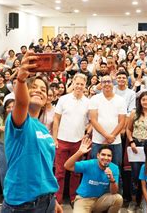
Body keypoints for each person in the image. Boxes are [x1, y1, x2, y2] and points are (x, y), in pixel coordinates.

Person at [1, 51, 62, 212]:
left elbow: (45, 167)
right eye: (33, 87)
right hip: (23, 206)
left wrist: (52, 198)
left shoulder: (43, 128)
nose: (39, 90)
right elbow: (21, 104)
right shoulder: (19, 121)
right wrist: (21, 79)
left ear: (47, 99)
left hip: (46, 201)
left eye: (43, 89)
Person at [52, 73, 90, 205]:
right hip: (62, 140)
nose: (79, 86)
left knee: (76, 173)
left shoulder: (88, 102)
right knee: (60, 172)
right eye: (77, 83)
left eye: (82, 84)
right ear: (73, 83)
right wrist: (54, 138)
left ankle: (74, 198)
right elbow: (56, 119)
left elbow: (91, 121)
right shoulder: (63, 99)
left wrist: (87, 133)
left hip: (78, 142)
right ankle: (58, 199)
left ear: (85, 85)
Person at [64, 139, 123, 213]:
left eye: (109, 156)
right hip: (84, 199)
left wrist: (111, 179)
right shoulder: (89, 164)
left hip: (100, 200)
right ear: (98, 155)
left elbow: (114, 192)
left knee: (118, 198)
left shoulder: (114, 168)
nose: (106, 158)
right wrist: (79, 152)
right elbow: (67, 166)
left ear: (111, 158)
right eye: (103, 155)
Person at [89, 75, 127, 166]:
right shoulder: (94, 99)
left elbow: (122, 121)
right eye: (104, 82)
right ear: (100, 85)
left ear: (113, 83)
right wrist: (107, 136)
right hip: (98, 141)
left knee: (115, 169)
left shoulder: (121, 100)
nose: (106, 84)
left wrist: (112, 136)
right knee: (96, 168)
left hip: (115, 141)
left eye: (109, 81)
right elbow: (93, 120)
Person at [0, 99, 15, 206]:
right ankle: (6, 195)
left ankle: (15, 195)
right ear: (5, 109)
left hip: (16, 148)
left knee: (16, 172)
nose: (11, 109)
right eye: (8, 107)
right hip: (2, 147)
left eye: (13, 107)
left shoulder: (20, 119)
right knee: (4, 172)